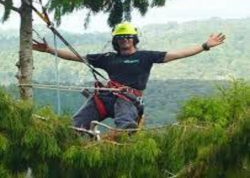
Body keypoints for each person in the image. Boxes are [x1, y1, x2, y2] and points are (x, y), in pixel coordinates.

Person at [32, 22, 226, 129]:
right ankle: (78, 133)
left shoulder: (146, 57)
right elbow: (77, 56)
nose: (124, 40)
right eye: (120, 38)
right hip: (106, 97)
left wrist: (204, 46)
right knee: (80, 120)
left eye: (128, 37)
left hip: (129, 99)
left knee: (125, 115)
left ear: (134, 39)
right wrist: (50, 49)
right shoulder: (108, 58)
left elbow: (178, 54)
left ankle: (126, 134)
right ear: (116, 41)